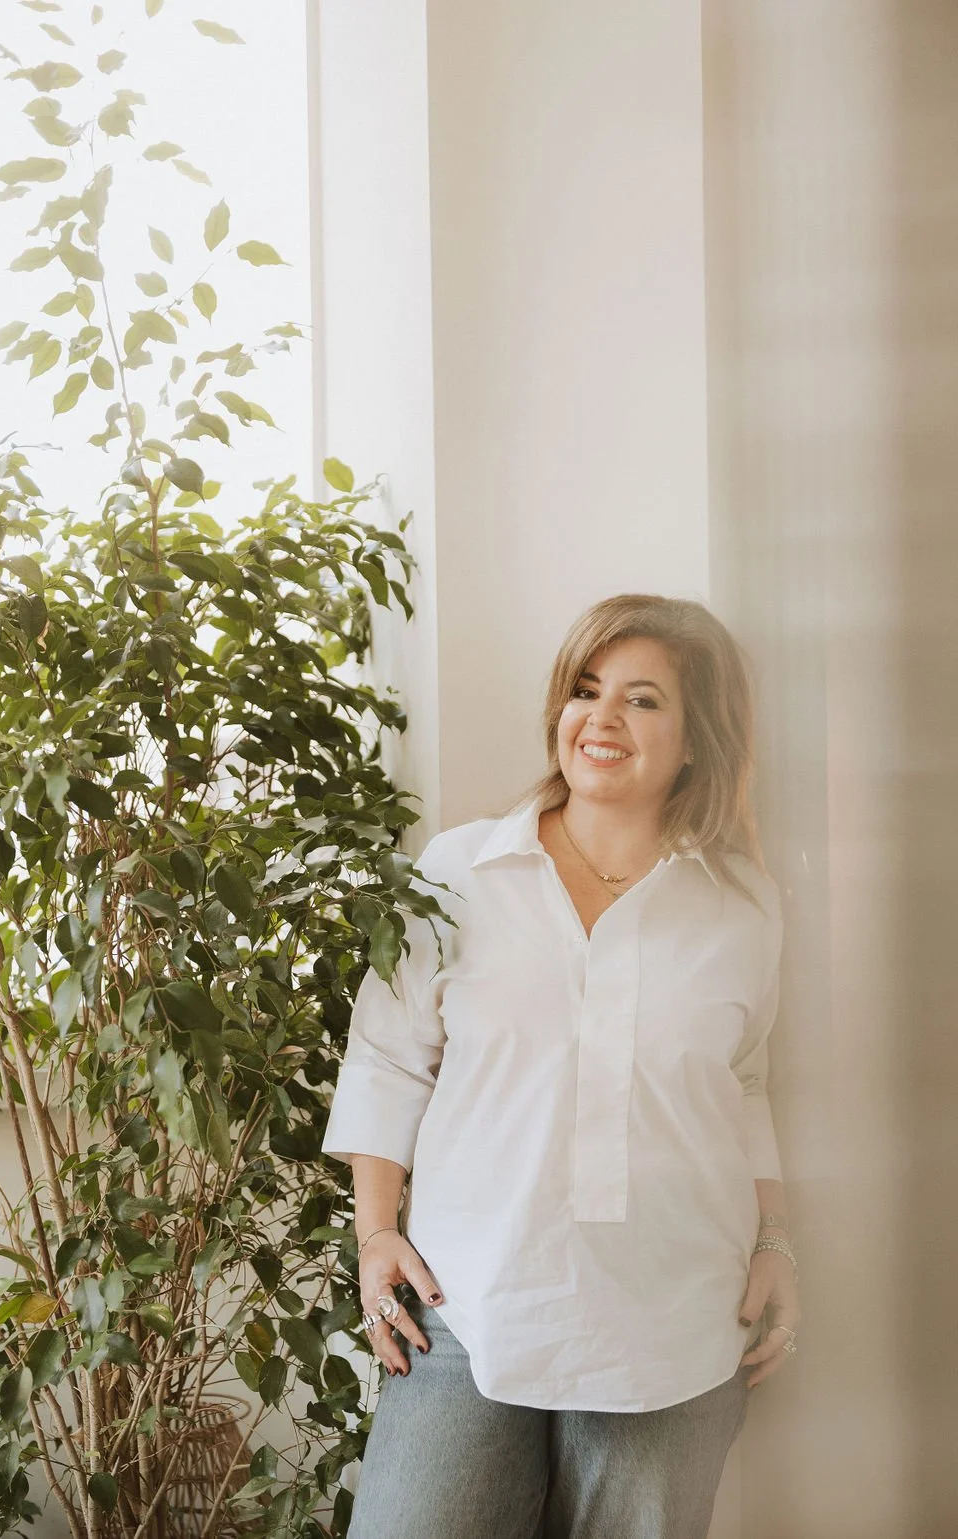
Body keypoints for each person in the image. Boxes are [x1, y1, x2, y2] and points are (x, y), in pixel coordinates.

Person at [321, 593, 800, 1539]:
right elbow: (386, 1059)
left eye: (644, 699)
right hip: (466, 1310)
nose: (603, 717)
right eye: (586, 690)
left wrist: (777, 1239)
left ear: (697, 736)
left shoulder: (744, 904)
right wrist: (377, 1237)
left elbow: (744, 1082)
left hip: (674, 1332)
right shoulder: (457, 874)